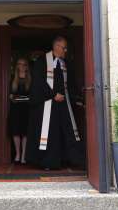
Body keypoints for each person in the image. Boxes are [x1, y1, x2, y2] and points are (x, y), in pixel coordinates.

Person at [26, 36, 85, 170]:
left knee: (66, 131)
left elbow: (71, 85)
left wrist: (78, 99)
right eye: (64, 48)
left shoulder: (65, 63)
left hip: (63, 105)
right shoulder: (42, 62)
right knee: (50, 133)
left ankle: (70, 160)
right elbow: (38, 82)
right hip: (47, 105)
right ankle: (48, 162)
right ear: (56, 47)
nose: (65, 51)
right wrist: (53, 95)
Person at [7, 58, 31, 164]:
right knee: (15, 132)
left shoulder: (30, 79)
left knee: (25, 133)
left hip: (26, 108)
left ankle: (24, 156)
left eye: (24, 64)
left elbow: (33, 93)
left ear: (26, 66)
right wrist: (11, 96)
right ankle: (17, 154)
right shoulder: (13, 78)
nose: (21, 66)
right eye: (19, 64)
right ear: (17, 66)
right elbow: (10, 93)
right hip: (15, 108)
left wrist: (30, 98)